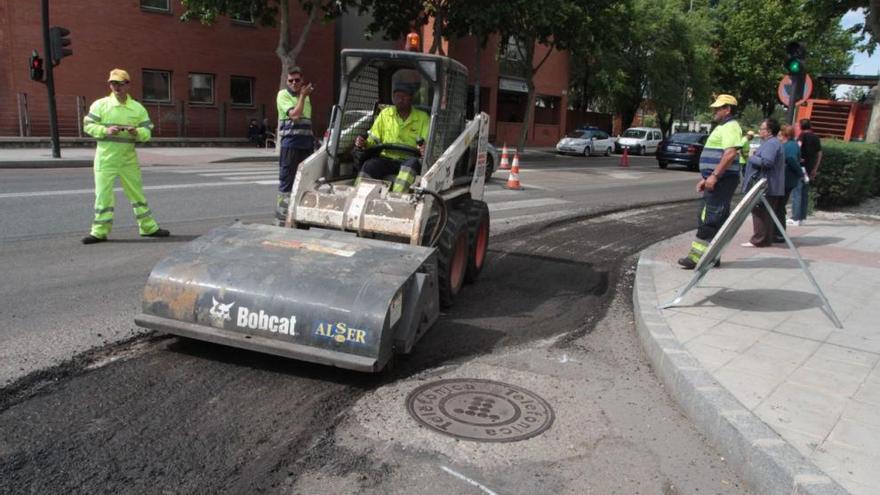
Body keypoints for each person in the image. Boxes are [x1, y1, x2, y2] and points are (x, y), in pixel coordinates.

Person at [81, 69, 169, 244]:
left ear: (128, 84)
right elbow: (88, 126)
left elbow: (147, 132)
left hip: (128, 159)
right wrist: (105, 130)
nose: (116, 87)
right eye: (113, 83)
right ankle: (99, 232)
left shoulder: (137, 108)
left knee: (137, 195)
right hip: (106, 159)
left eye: (120, 83)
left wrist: (137, 132)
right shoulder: (100, 105)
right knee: (103, 196)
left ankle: (148, 228)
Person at [677, 94, 743, 269]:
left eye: (717, 108)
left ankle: (696, 257)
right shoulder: (724, 126)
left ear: (727, 109)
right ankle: (713, 256)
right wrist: (707, 178)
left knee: (709, 216)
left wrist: (714, 176)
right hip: (719, 179)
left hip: (722, 180)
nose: (714, 111)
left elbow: (729, 154)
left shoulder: (731, 126)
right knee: (714, 216)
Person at [354, 83, 429, 193]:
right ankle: (358, 196)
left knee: (410, 166)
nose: (400, 99)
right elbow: (373, 140)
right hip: (386, 158)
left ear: (411, 98)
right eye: (397, 96)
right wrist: (364, 143)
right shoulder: (385, 114)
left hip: (409, 159)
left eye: (404, 96)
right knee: (370, 165)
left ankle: (398, 198)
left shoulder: (423, 118)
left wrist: (424, 148)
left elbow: (426, 144)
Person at [275, 67, 315, 224]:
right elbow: (295, 115)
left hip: (306, 144)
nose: (293, 83)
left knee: (305, 180)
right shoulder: (283, 95)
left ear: (302, 80)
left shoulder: (305, 97)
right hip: (290, 145)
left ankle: (299, 216)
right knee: (287, 180)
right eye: (290, 80)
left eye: (297, 80)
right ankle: (282, 217)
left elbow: (306, 121)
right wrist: (303, 96)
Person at [741, 118, 784, 248]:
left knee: (759, 211)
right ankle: (765, 239)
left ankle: (759, 239)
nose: (759, 131)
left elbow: (767, 162)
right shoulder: (773, 142)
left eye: (762, 128)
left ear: (769, 131)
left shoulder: (771, 144)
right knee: (766, 212)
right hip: (770, 184)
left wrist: (751, 157)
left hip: (766, 185)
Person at [789, 119, 822, 226]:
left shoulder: (802, 136)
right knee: (804, 193)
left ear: (801, 126)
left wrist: (798, 159)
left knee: (796, 192)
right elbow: (820, 154)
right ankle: (802, 217)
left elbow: (798, 147)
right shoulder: (815, 137)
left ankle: (795, 218)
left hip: (801, 167)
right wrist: (815, 169)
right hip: (810, 168)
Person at [777, 124, 802, 240]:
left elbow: (792, 160)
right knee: (780, 205)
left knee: (779, 206)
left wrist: (800, 174)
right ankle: (778, 231)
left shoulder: (788, 146)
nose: (778, 136)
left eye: (779, 134)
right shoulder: (793, 144)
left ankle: (779, 233)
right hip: (789, 180)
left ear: (784, 134)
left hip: (786, 180)